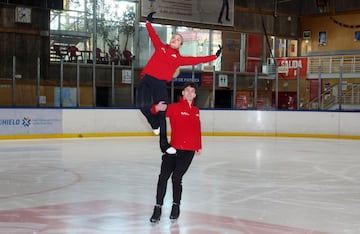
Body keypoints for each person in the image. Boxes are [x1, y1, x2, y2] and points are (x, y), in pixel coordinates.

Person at [137, 11, 222, 155]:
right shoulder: (161, 47)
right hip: (147, 79)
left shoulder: (179, 59)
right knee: (142, 105)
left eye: (177, 39)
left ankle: (164, 145)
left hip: (160, 84)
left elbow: (196, 60)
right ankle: (153, 122)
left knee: (163, 112)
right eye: (173, 37)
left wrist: (214, 56)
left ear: (180, 45)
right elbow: (153, 35)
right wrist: (148, 22)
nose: (174, 39)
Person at [149, 82, 202, 223]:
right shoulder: (175, 107)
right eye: (187, 90)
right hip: (172, 149)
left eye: (192, 91)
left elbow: (197, 128)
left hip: (188, 151)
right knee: (163, 177)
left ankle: (175, 206)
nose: (190, 93)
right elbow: (157, 111)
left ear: (195, 95)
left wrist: (199, 145)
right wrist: (155, 108)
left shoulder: (196, 110)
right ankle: (158, 208)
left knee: (177, 178)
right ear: (183, 93)